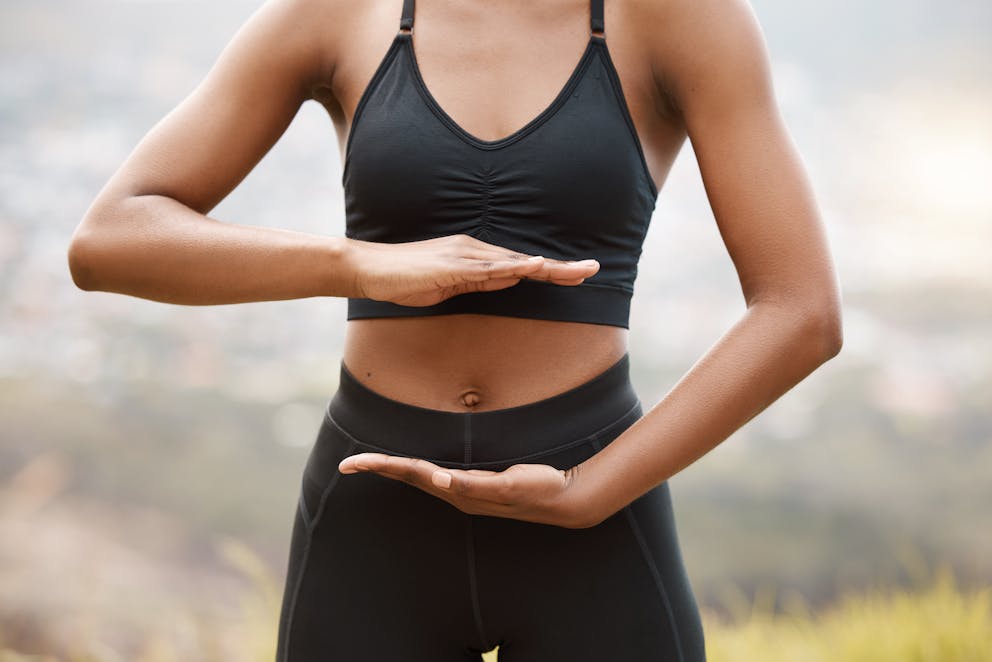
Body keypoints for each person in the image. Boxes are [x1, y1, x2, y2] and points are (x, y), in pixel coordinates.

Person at [67, 0, 843, 659]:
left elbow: (801, 309)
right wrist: (358, 265)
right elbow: (109, 241)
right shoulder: (341, 11)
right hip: (372, 508)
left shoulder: (678, 16)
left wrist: (587, 490)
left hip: (597, 512)